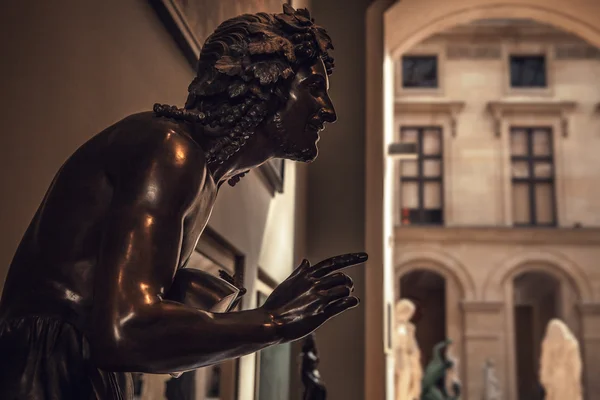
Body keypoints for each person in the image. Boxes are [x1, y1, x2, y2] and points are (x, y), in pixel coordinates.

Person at [0, 5, 367, 399]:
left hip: (77, 364)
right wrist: (274, 320)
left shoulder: (199, 171)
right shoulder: (170, 152)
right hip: (47, 367)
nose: (328, 112)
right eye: (314, 89)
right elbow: (125, 331)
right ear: (266, 85)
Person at [539, 319, 583, 400]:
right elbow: (576, 366)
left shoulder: (550, 344)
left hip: (558, 380)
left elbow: (545, 366)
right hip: (564, 381)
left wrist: (545, 379)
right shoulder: (571, 344)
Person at [301, 333, 327, 400]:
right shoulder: (306, 353)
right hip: (307, 372)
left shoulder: (312, 351)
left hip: (312, 372)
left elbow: (317, 359)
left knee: (320, 388)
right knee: (315, 387)